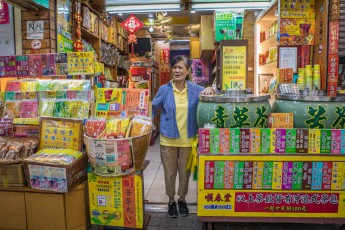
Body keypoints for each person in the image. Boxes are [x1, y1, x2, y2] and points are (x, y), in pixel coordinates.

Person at [152, 55, 216, 218]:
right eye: (174, 67)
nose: (177, 70)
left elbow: (214, 93)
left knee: (184, 173)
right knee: (170, 173)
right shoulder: (164, 89)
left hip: (188, 140)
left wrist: (211, 89)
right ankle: (171, 200)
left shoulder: (194, 89)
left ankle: (182, 199)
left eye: (181, 67)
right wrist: (149, 123)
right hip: (168, 140)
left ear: (187, 71)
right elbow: (153, 106)